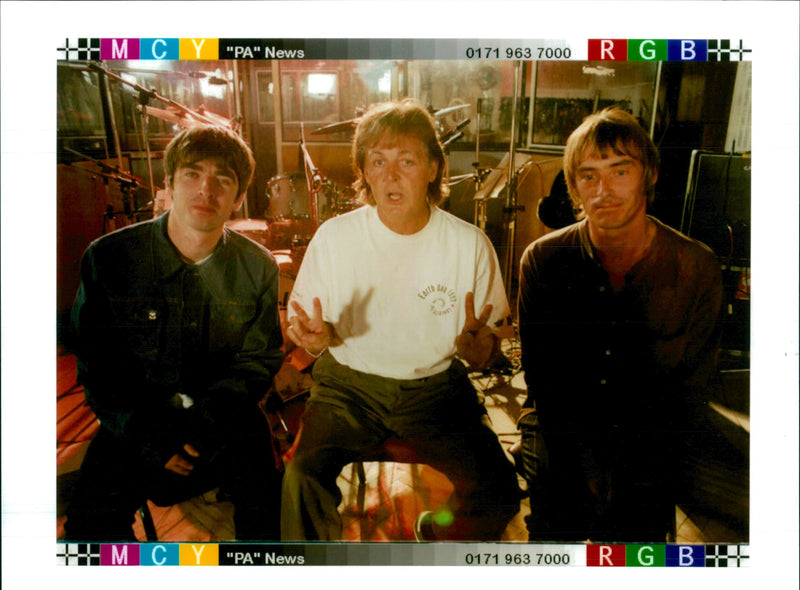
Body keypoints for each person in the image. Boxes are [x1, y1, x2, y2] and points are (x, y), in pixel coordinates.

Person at [281, 99, 520, 541]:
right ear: (364, 172)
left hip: (435, 389)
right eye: (378, 161)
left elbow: (491, 349)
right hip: (347, 388)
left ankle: (440, 536)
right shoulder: (335, 237)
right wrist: (315, 340)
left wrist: (482, 352)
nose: (391, 175)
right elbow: (309, 332)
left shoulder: (469, 244)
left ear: (433, 168)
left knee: (499, 489)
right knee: (301, 476)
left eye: (406, 160)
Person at [64, 125, 285, 542]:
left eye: (223, 180)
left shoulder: (258, 266)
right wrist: (151, 437)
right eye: (192, 174)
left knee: (268, 515)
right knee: (86, 536)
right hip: (137, 419)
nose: (206, 190)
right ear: (168, 184)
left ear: (239, 197)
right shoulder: (109, 258)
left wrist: (202, 425)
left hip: (223, 415)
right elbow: (99, 366)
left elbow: (258, 359)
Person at [517, 107, 724, 542]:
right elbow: (544, 383)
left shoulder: (696, 266)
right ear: (573, 187)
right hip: (563, 429)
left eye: (620, 171)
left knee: (635, 548)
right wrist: (585, 471)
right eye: (588, 175)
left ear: (649, 174)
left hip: (650, 435)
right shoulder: (543, 260)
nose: (603, 190)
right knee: (554, 538)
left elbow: (691, 393)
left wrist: (638, 473)